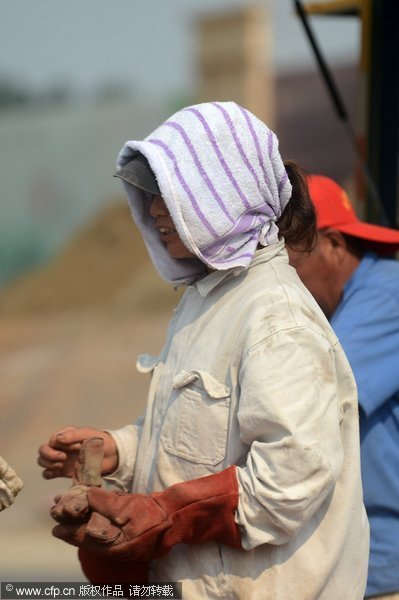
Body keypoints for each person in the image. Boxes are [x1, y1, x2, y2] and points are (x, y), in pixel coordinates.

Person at [38, 102, 369, 599]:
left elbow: (292, 479)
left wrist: (169, 514)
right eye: (151, 196)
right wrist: (119, 452)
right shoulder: (206, 301)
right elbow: (201, 437)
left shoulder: (275, 319)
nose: (153, 211)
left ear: (222, 197)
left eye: (169, 196)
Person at [287, 174, 399, 600]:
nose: (283, 283)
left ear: (333, 245)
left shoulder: (387, 296)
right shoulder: (342, 308)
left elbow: (305, 395)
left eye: (290, 264)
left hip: (384, 569)